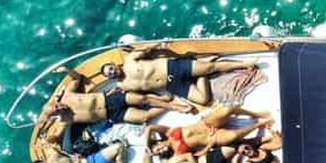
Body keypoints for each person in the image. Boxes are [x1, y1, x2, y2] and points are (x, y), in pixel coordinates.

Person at [99, 42, 257, 106]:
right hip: (172, 85)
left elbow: (146, 50)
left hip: (172, 68)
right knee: (203, 100)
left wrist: (158, 44)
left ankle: (244, 65)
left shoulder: (129, 60)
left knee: (211, 67)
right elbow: (141, 95)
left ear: (114, 64)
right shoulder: (123, 85)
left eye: (111, 69)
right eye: (109, 74)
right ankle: (200, 75)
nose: (112, 72)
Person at [41, 66, 194, 126]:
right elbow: (48, 131)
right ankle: (168, 102)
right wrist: (43, 120)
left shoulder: (68, 95)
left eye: (57, 106)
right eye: (57, 111)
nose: (60, 108)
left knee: (143, 99)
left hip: (110, 98)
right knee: (144, 117)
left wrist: (65, 69)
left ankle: (176, 106)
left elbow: (77, 78)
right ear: (55, 115)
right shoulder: (64, 121)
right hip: (111, 114)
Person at [144, 104, 273, 157]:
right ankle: (260, 124)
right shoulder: (178, 152)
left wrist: (147, 146)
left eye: (157, 148)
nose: (161, 150)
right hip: (212, 137)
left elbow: (150, 127)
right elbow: (197, 155)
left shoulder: (168, 132)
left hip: (206, 124)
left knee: (228, 109)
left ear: (158, 143)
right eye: (159, 153)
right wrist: (209, 145)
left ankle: (256, 115)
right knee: (233, 136)